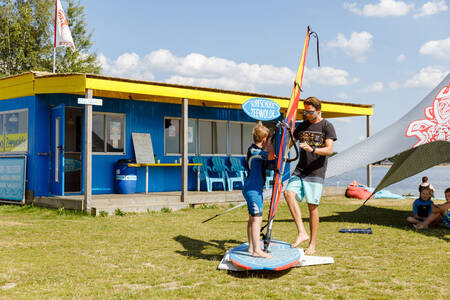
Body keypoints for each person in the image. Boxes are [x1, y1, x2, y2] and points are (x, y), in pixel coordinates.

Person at [283, 96, 337, 254]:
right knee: (288, 193)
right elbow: (288, 142)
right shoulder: (302, 126)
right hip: (300, 169)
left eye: (309, 111)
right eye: (304, 111)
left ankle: (312, 244)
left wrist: (312, 149)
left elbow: (329, 150)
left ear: (318, 111)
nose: (305, 114)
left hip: (316, 171)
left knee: (312, 207)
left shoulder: (327, 126)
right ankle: (302, 232)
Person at [242, 122, 275, 258]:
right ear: (264, 140)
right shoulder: (254, 151)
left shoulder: (257, 151)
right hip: (252, 190)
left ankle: (251, 247)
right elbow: (270, 155)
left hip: (254, 189)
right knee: (257, 219)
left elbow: (271, 162)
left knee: (252, 218)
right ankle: (256, 250)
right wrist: (271, 145)